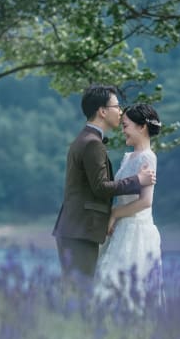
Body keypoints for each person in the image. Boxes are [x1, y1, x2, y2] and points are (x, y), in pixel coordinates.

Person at [53, 85, 156, 281]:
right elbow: (100, 188)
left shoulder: (86, 138)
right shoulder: (92, 143)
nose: (120, 111)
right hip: (81, 230)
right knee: (80, 292)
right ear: (102, 111)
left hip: (76, 228)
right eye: (117, 106)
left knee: (75, 291)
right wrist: (138, 180)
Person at [93, 102, 163, 309]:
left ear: (142, 127)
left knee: (129, 291)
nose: (123, 131)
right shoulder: (127, 156)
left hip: (135, 231)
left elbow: (146, 201)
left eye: (126, 126)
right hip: (120, 229)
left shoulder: (148, 157)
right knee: (107, 284)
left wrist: (114, 213)